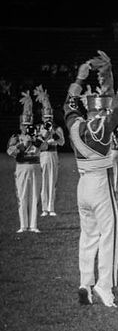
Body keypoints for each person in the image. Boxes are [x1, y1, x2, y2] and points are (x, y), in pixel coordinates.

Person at [64, 51, 118, 307]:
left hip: (82, 184)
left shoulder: (75, 125)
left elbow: (69, 104)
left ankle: (85, 282)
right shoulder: (104, 125)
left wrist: (80, 78)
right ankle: (104, 286)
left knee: (88, 236)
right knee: (109, 234)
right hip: (100, 184)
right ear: (102, 109)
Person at [7, 91, 46, 233]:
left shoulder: (37, 136)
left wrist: (34, 140)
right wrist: (22, 145)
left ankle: (33, 225)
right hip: (22, 167)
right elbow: (10, 152)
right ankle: (23, 225)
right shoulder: (16, 137)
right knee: (22, 195)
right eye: (24, 125)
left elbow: (44, 146)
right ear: (20, 126)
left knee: (35, 196)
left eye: (28, 124)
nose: (26, 127)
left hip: (35, 166)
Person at [33, 86, 64, 217]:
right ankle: (44, 208)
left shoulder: (57, 128)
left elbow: (62, 142)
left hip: (53, 155)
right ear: (43, 118)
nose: (48, 120)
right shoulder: (39, 128)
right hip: (43, 155)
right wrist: (45, 134)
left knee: (52, 181)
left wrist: (54, 135)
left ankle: (51, 208)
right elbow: (37, 144)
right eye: (46, 118)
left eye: (49, 118)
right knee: (44, 181)